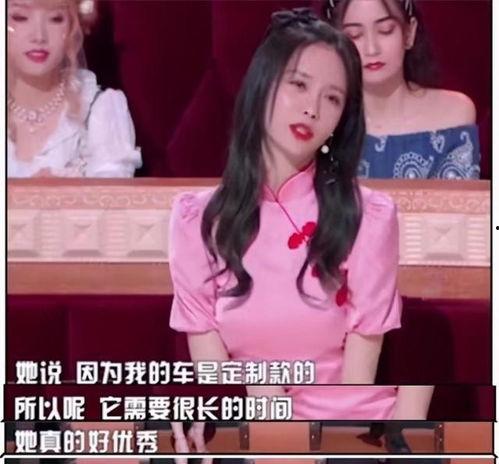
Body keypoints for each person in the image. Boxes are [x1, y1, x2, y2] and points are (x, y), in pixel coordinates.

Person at [169, 8, 432, 421]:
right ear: (263, 85)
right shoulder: (197, 219)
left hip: (339, 426)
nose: (312, 109)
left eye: (332, 98)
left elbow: (356, 386)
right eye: (299, 85)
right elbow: (211, 378)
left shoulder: (367, 217)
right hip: (247, 424)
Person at [325, 0, 480, 179]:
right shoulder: (324, 120)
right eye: (354, 35)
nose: (371, 49)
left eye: (385, 30)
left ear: (409, 33)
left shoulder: (454, 114)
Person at [7, 0, 142, 178]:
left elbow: (111, 191)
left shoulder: (99, 110)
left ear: (72, 27)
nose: (39, 36)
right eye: (20, 17)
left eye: (56, 19)